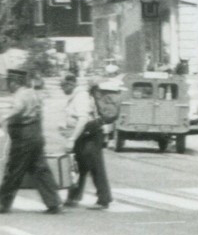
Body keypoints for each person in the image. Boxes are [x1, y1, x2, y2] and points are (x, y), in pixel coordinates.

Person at [0, 71, 64, 214]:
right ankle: (53, 202)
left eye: (9, 82)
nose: (8, 85)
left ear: (14, 82)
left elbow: (18, 108)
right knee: (40, 169)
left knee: (14, 170)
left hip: (23, 137)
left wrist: (4, 117)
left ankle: (3, 203)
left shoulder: (21, 95)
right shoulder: (33, 93)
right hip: (35, 134)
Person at [61, 77, 113, 210]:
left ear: (70, 84)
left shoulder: (80, 96)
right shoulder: (77, 95)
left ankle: (104, 199)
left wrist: (72, 139)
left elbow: (83, 119)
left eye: (63, 86)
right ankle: (73, 197)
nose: (62, 89)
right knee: (79, 167)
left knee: (95, 166)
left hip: (90, 135)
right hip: (85, 135)